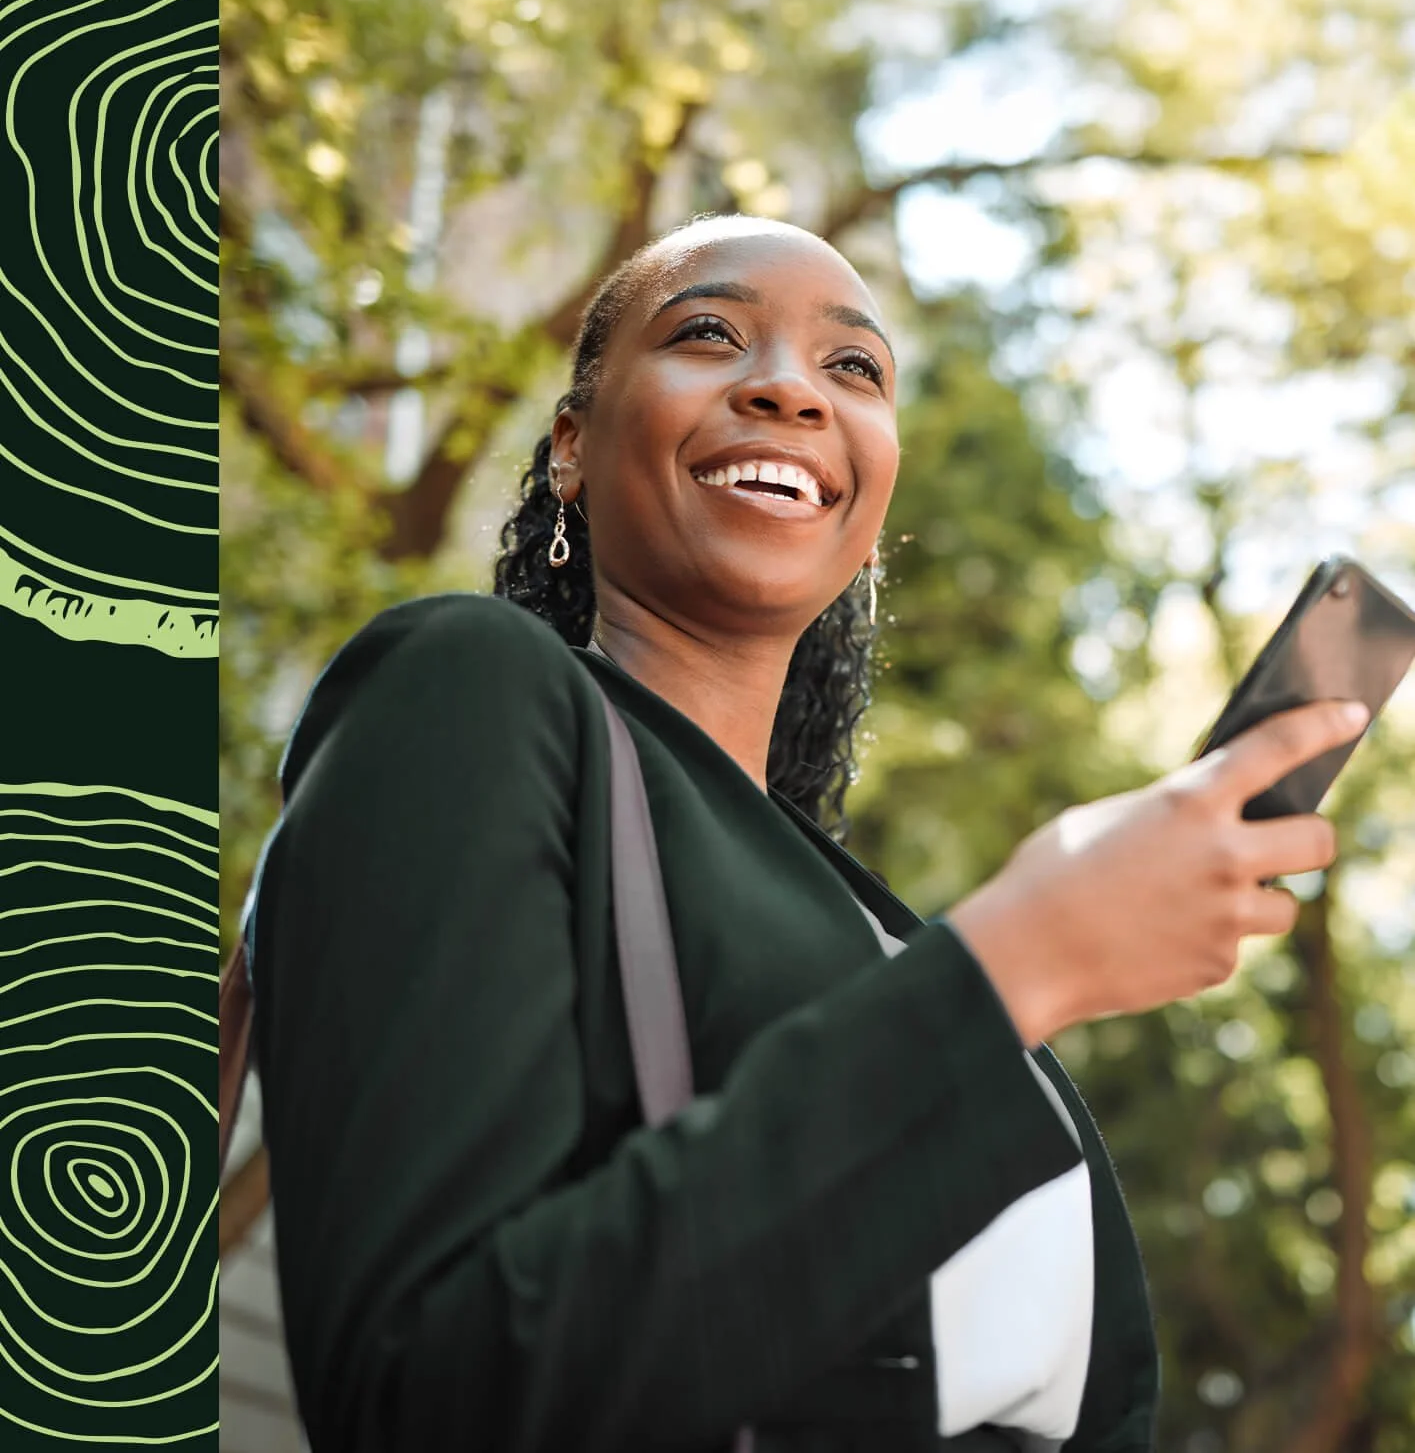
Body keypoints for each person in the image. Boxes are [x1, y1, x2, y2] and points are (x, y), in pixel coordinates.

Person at [245, 213, 1366, 1453]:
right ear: (570, 446)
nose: (788, 388)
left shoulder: (879, 931)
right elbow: (429, 1394)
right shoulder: (466, 690)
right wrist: (1015, 969)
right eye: (707, 334)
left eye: (852, 367)